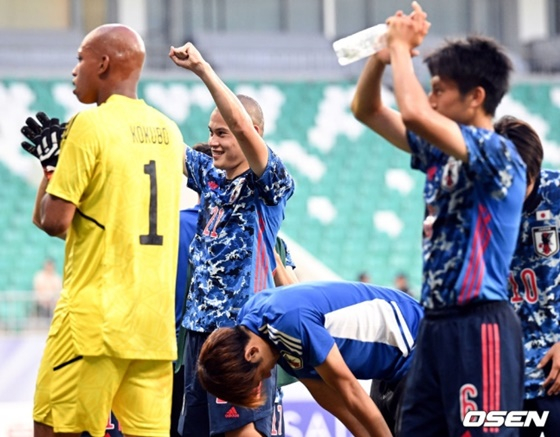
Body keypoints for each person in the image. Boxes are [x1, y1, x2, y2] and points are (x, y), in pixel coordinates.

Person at [351, 2, 526, 435]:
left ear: (476, 97)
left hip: (479, 325)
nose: (431, 100)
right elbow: (367, 110)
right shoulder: (441, 151)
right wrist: (380, 59)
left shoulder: (498, 153)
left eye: (439, 90)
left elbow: (412, 113)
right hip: (435, 325)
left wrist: (400, 47)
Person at [23, 24, 185, 437]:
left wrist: (51, 168)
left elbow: (53, 220)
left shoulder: (90, 125)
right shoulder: (170, 133)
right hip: (152, 329)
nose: (75, 69)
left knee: (53, 428)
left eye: (80, 58)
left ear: (104, 63)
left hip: (93, 323)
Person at [169, 43, 295, 437]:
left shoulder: (269, 184)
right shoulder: (208, 174)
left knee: (241, 433)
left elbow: (241, 127)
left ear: (252, 133)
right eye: (210, 133)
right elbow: (161, 145)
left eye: (222, 132)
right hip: (198, 334)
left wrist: (203, 70)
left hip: (241, 333)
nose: (215, 141)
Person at [197, 280, 424, 437]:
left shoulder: (287, 323)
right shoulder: (262, 330)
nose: (266, 377)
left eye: (257, 377)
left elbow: (350, 391)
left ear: (252, 353)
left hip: (416, 346)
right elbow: (336, 405)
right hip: (389, 368)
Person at [494, 115, 560, 437]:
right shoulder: (478, 206)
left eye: (524, 182)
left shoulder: (558, 195)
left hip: (555, 374)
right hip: (502, 374)